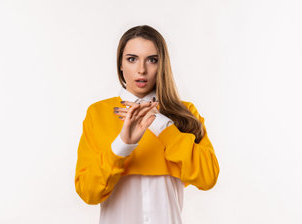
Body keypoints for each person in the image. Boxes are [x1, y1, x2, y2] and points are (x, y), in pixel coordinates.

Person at [74, 25, 220, 224]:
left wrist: (164, 127)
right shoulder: (98, 113)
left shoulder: (185, 113)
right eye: (132, 59)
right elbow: (88, 192)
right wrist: (122, 145)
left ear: (163, 65)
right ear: (120, 65)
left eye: (152, 60)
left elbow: (208, 177)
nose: (141, 69)